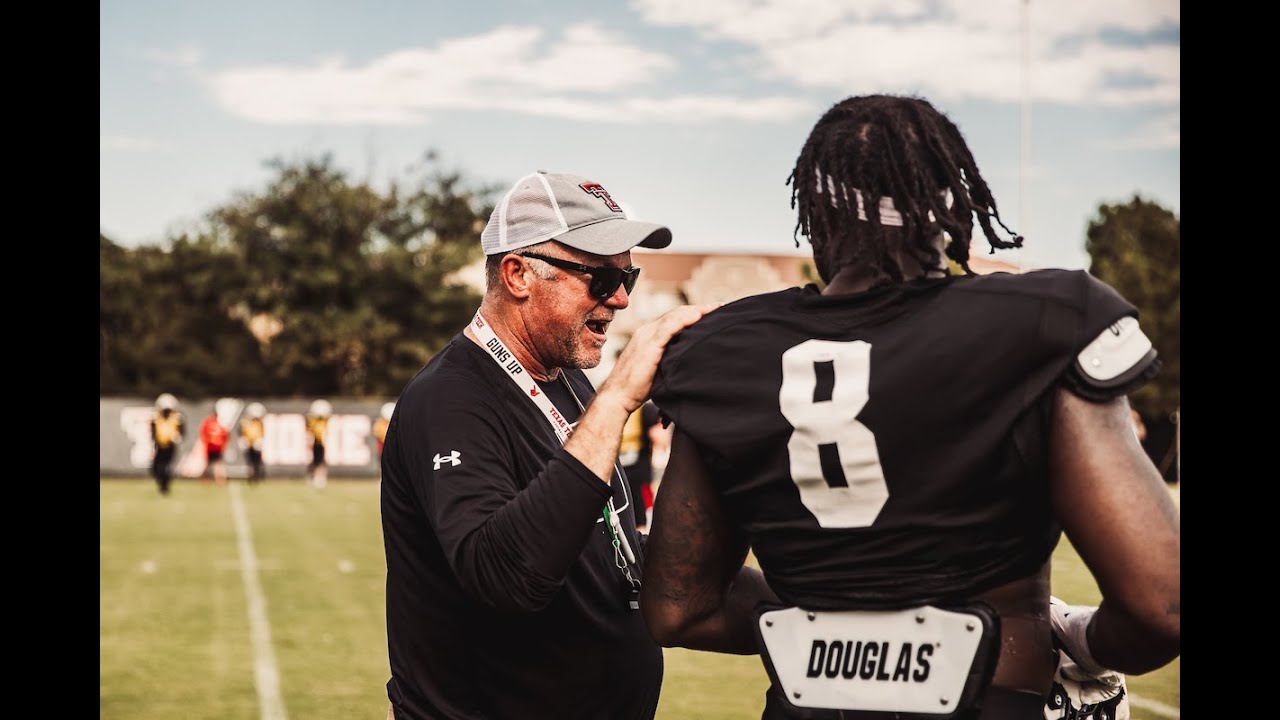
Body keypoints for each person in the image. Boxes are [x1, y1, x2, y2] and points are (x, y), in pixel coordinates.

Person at [641, 95, 1179, 720]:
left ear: (814, 214)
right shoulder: (1042, 322)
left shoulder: (721, 350)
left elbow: (681, 606)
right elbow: (1160, 606)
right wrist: (1079, 642)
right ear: (948, 212)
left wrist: (828, 625)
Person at [379, 170, 724, 720]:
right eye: (599, 278)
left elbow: (604, 548)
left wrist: (794, 601)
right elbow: (503, 575)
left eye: (627, 279)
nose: (619, 300)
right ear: (518, 274)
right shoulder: (448, 398)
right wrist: (617, 399)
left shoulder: (562, 376)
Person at [618, 400, 664, 530]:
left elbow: (659, 435)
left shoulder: (646, 410)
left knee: (642, 510)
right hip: (619, 469)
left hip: (638, 468)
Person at [150, 393, 184, 495]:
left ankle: (165, 486)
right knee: (156, 467)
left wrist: (177, 436)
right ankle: (162, 483)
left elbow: (181, 432)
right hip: (159, 446)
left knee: (166, 466)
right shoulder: (156, 418)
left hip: (170, 446)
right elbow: (153, 432)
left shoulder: (177, 418)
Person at [198, 409, 229, 486]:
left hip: (213, 447)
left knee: (213, 464)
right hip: (214, 447)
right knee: (215, 464)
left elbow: (203, 434)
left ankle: (210, 479)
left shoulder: (209, 423)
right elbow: (225, 435)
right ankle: (213, 480)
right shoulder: (218, 424)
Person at [306, 399, 332, 488]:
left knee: (320, 461)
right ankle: (315, 478)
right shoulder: (313, 422)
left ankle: (320, 478)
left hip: (321, 444)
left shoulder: (324, 422)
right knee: (316, 461)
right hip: (316, 443)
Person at [239, 402, 267, 484]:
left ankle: (256, 477)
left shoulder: (260, 423)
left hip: (256, 445)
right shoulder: (246, 422)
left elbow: (262, 434)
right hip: (248, 445)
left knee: (256, 462)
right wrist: (244, 441)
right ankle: (251, 477)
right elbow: (242, 433)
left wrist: (259, 441)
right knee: (250, 462)